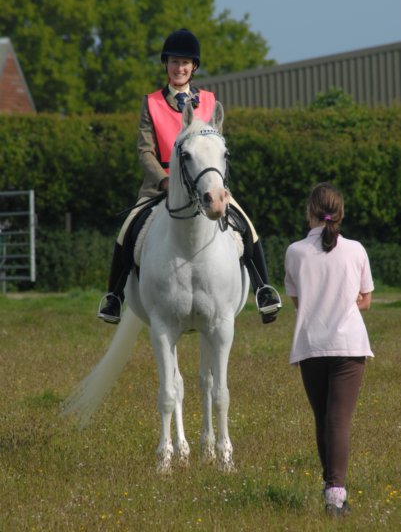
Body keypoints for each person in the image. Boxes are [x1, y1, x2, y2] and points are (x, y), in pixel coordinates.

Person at [98, 28, 281, 325]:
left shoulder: (209, 101)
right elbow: (145, 151)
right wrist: (165, 180)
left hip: (204, 184)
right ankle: (114, 297)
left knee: (245, 224)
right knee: (128, 229)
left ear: (193, 67)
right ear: (166, 65)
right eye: (173, 62)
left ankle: (264, 289)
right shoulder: (151, 103)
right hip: (162, 185)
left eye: (185, 63)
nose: (179, 68)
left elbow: (214, 147)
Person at [284, 182, 374, 517]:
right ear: (340, 213)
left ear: (310, 212)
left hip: (311, 345)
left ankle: (331, 488)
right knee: (339, 419)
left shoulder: (294, 252)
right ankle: (335, 496)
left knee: (323, 418)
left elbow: (298, 301)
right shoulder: (357, 250)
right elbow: (365, 301)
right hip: (348, 345)